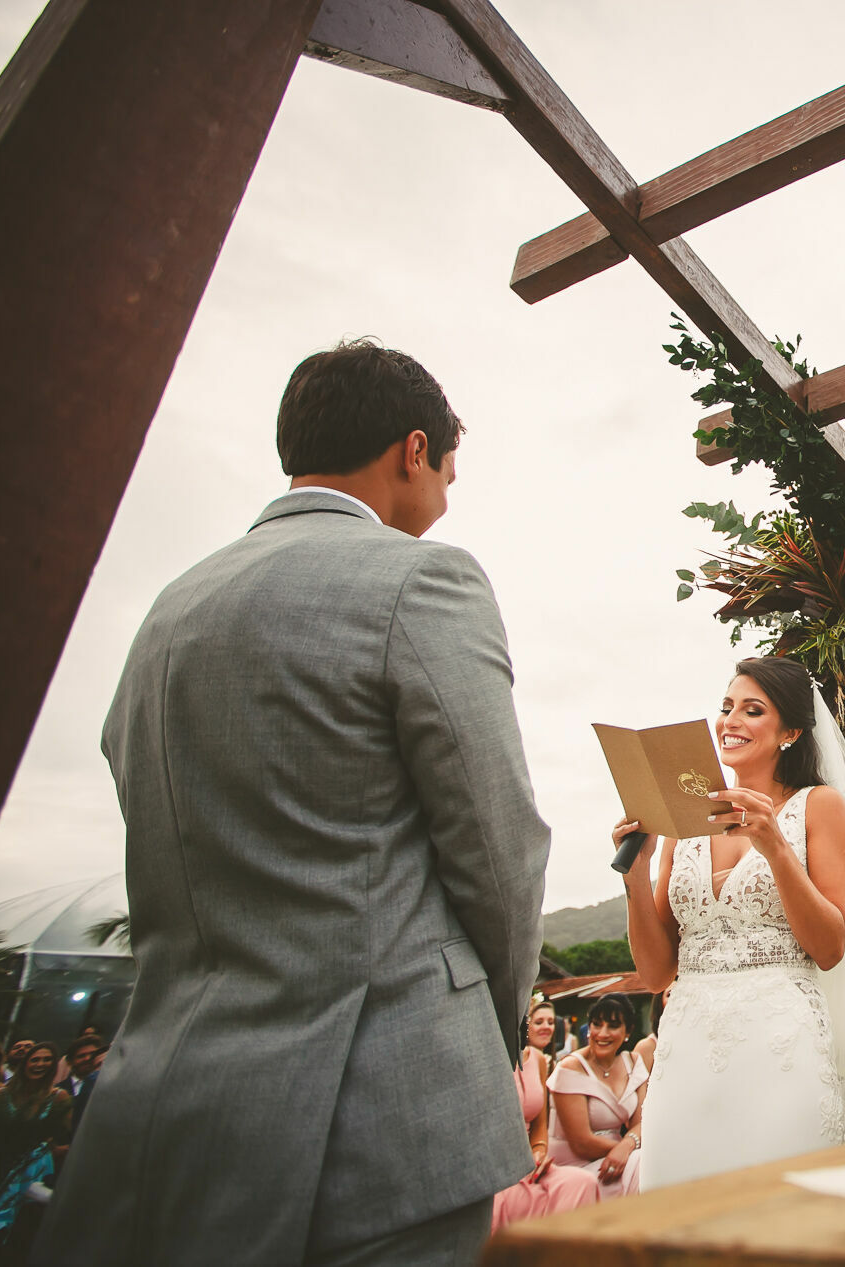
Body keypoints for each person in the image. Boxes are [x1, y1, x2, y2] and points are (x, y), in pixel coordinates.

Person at [36, 339, 551, 1265]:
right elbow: (498, 841)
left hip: (169, 1110)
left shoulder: (168, 609)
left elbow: (134, 782)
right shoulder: (422, 577)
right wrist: (496, 1018)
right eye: (450, 468)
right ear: (412, 449)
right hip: (381, 1115)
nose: (447, 494)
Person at [621, 657, 845, 1189]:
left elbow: (829, 947)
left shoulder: (818, 807)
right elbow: (658, 973)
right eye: (726, 707)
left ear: (791, 732)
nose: (731, 720)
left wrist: (775, 845)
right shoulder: (683, 822)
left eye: (752, 710)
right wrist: (636, 879)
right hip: (685, 1051)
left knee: (778, 1210)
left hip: (779, 1047)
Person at [492, 994, 599, 1232]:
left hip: (530, 1165)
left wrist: (539, 1152)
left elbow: (540, 1124)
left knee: (582, 1182)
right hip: (495, 1171)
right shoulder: (486, 1059)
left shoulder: (538, 1059)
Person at [547, 994, 647, 1196]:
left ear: (628, 1032)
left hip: (619, 1157)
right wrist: (624, 1150)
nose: (602, 1033)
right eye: (596, 1024)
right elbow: (581, 1143)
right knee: (643, 1163)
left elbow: (643, 1122)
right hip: (573, 1166)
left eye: (613, 1026)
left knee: (649, 1162)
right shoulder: (571, 1067)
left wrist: (627, 1146)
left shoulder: (634, 1062)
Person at [0, 1041, 71, 1247]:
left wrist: (53, 1150)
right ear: (25, 1064)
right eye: (35, 1059)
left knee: (17, 1234)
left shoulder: (59, 1097)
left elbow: (67, 1137)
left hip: (32, 1175)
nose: (41, 1064)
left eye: (47, 1059)